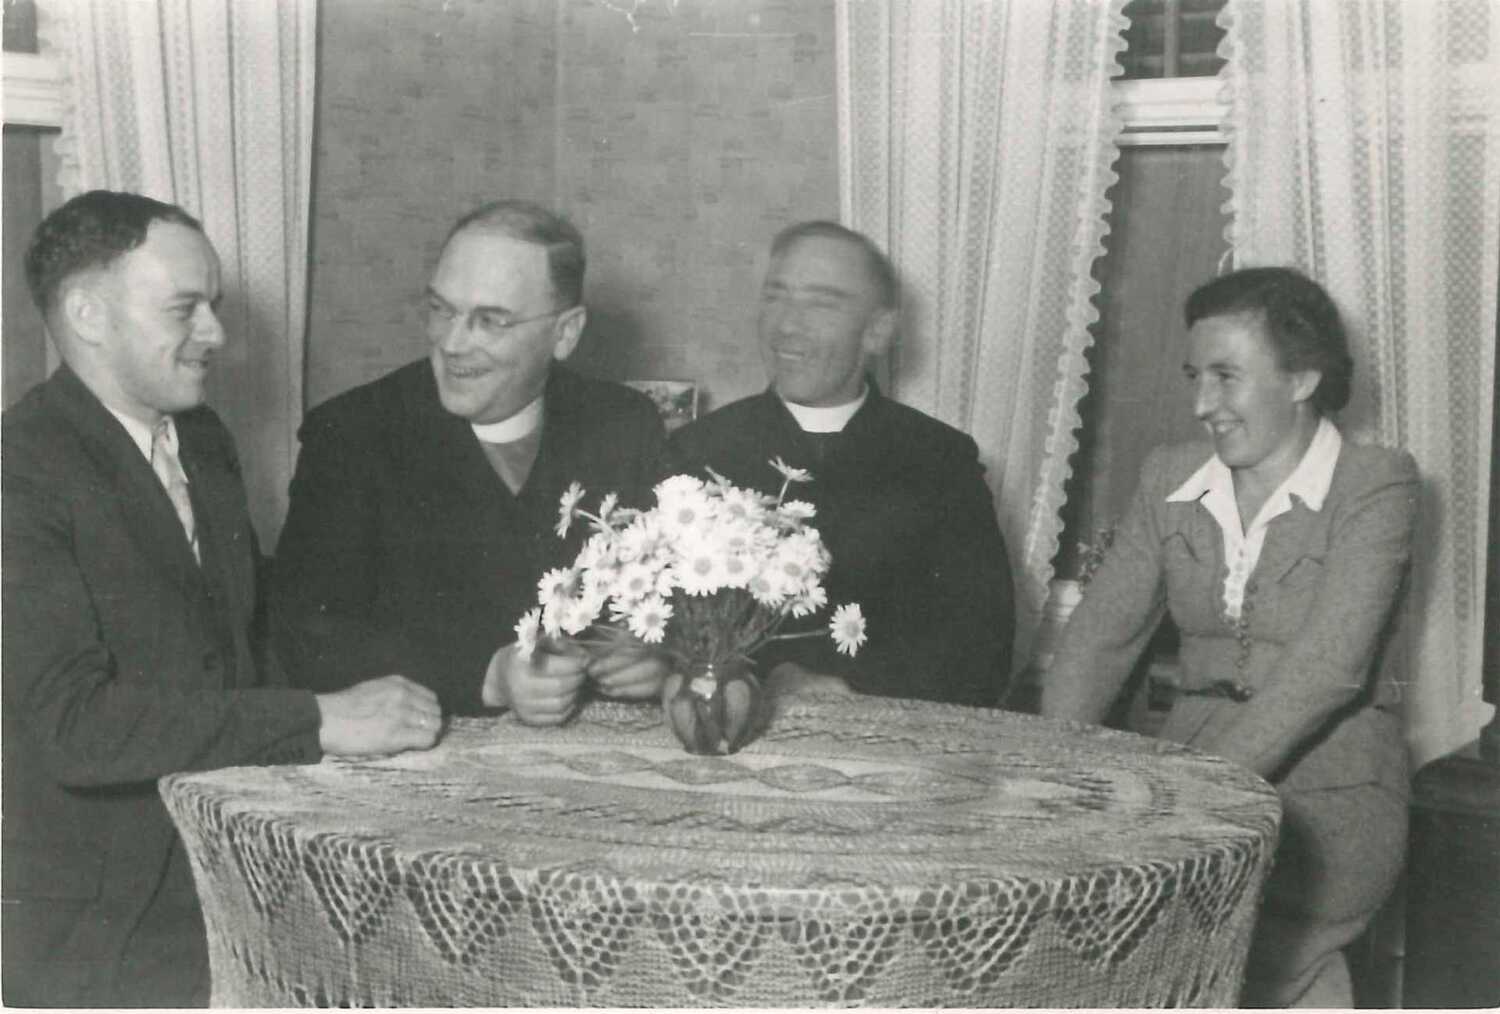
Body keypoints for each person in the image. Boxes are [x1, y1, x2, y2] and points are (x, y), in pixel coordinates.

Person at [2, 190, 442, 1008]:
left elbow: (252, 629)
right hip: (94, 934)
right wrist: (315, 719)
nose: (217, 334)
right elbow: (74, 726)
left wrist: (464, 670)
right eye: (185, 309)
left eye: (215, 306)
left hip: (227, 878)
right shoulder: (19, 472)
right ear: (88, 314)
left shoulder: (202, 440)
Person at [1041, 266, 1417, 1007]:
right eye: (1194, 377)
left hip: (1330, 793)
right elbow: (1098, 639)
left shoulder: (1376, 484)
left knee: (1226, 958)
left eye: (1226, 377)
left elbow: (1328, 671)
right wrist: (1058, 776)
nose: (1201, 404)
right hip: (1185, 780)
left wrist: (1191, 796)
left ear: (1302, 378)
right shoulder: (1170, 477)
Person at [272, 200, 667, 722]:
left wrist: (658, 654)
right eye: (442, 310)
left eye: (490, 321)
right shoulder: (351, 433)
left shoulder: (625, 424)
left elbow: (672, 597)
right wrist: (486, 675)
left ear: (565, 333)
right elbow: (303, 634)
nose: (453, 343)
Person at [668, 221, 1015, 707]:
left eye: (821, 303)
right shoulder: (698, 451)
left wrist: (855, 689)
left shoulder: (941, 460)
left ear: (878, 331)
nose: (787, 325)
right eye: (776, 296)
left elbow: (982, 644)